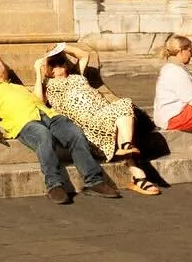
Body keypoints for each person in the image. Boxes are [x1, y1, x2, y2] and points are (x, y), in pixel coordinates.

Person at [0, 53, 121, 204]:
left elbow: (40, 99)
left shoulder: (19, 88)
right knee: (43, 135)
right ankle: (54, 184)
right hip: (25, 123)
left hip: (49, 115)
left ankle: (94, 182)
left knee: (74, 133)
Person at [33, 43, 160, 194]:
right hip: (90, 127)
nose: (58, 66)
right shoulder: (47, 85)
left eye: (60, 62)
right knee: (123, 108)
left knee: (123, 112)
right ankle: (133, 164)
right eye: (53, 64)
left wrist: (61, 47)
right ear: (47, 69)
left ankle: (136, 170)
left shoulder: (77, 75)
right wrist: (38, 71)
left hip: (105, 114)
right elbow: (38, 102)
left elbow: (84, 55)